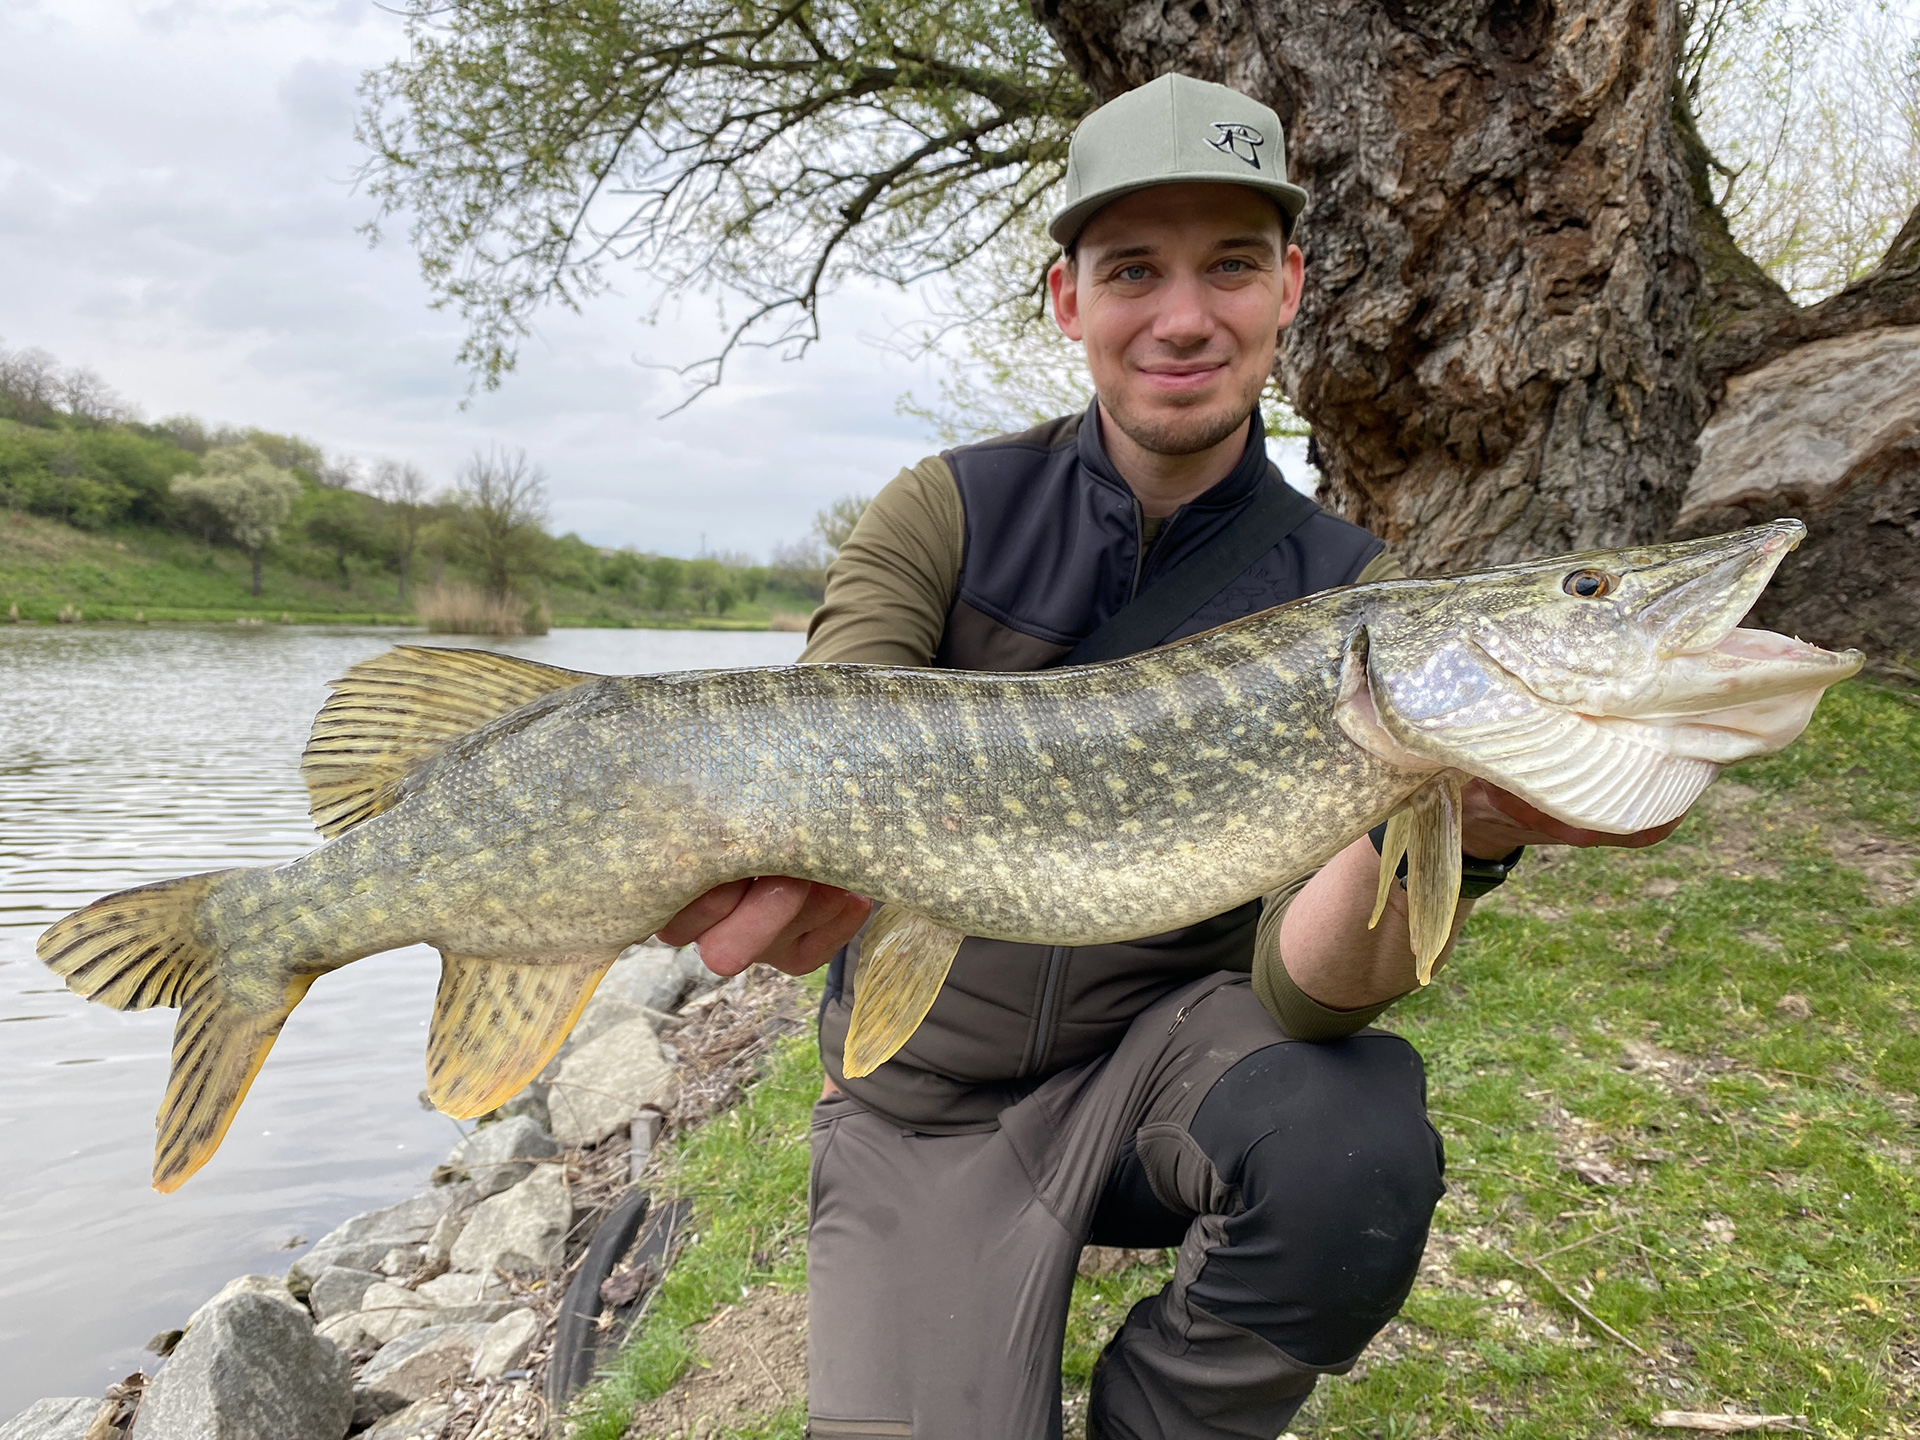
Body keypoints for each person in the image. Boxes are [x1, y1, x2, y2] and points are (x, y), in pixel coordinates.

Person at [658, 73, 1681, 1440]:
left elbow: (1305, 995)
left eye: (1233, 266)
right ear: (1068, 297)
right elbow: (825, 742)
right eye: (1134, 268)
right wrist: (747, 869)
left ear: (1291, 287)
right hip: (924, 1107)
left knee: (1349, 1141)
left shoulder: (1349, 600)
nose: (1185, 316)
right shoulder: (946, 514)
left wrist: (1469, 829)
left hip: (1160, 1076)